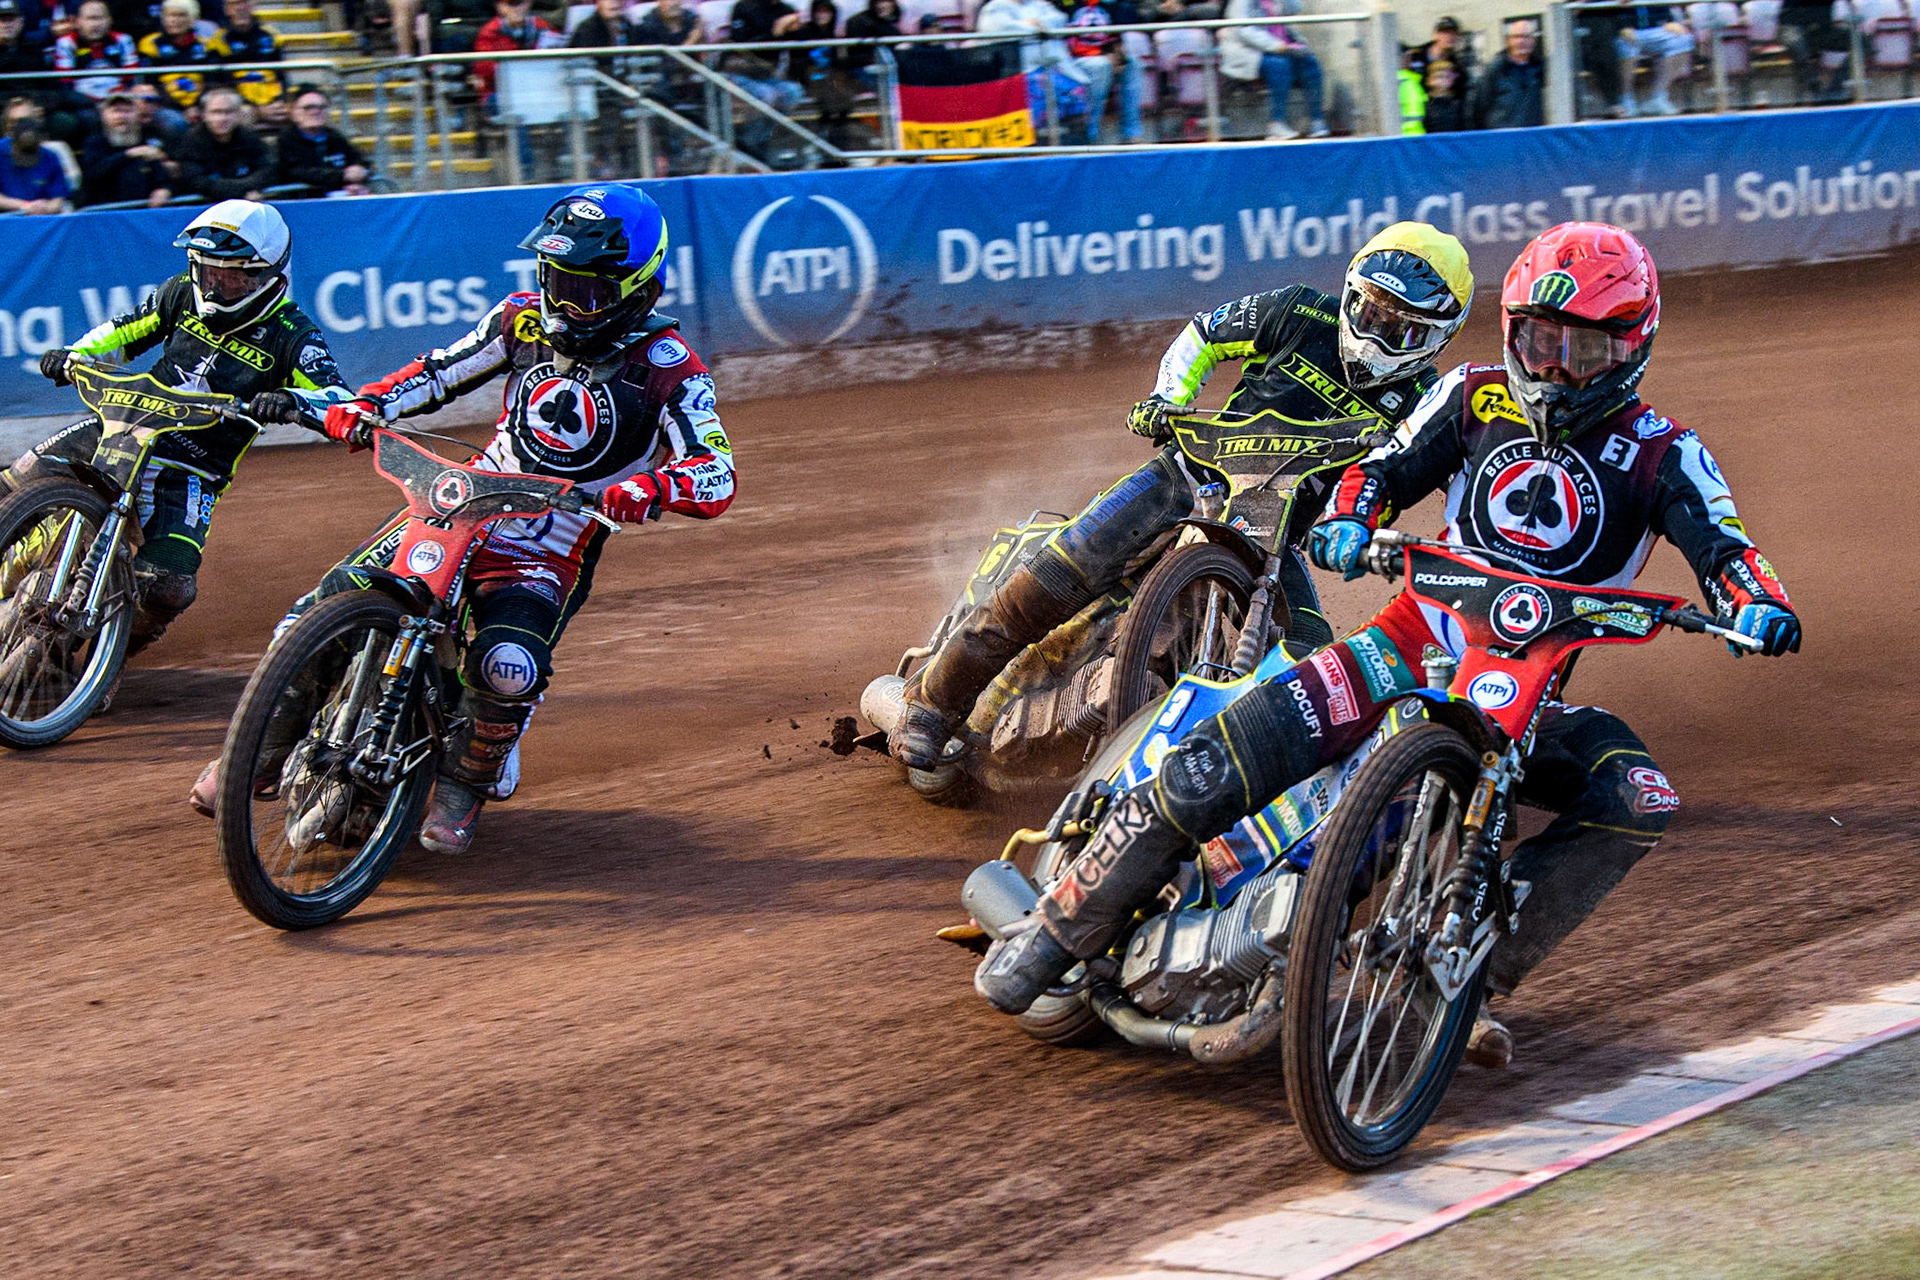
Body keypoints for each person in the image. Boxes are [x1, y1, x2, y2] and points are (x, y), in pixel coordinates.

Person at [971, 222, 1802, 1074]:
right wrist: (1346, 519)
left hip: (1523, 696)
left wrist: (1757, 606)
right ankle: (1057, 927)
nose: (1555, 367)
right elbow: (1382, 468)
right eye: (1539, 341)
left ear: (1632, 347)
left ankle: (1465, 979)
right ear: (1512, 332)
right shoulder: (1472, 396)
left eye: (1581, 349)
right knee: (1218, 760)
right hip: (1403, 645)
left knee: (1641, 795)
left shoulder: (1667, 454)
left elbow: (1728, 552)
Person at [188, 185, 738, 853]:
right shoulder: (521, 320)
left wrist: (650, 489)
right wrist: (366, 405)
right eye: (555, 280)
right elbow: (439, 371)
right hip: (463, 501)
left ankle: (462, 784)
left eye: (587, 292)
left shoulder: (669, 369)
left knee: (508, 665)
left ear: (638, 290)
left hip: (551, 539)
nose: (564, 304)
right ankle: (260, 755)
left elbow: (717, 470)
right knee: (312, 616)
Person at [890, 222, 1475, 770]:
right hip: (1188, 475)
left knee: (1309, 657)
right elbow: (1206, 333)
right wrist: (1167, 397)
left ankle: (1282, 788)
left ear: (1437, 337)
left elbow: (1462, 477)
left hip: (1278, 533)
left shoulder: (1432, 398)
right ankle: (936, 704)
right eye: (1368, 310)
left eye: (1400, 327)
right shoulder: (1299, 310)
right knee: (1059, 570)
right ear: (1348, 293)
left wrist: (1461, 554)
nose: (1376, 334)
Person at [3, 200, 353, 663]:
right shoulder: (179, 294)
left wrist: (291, 400)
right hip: (123, 426)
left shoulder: (293, 334)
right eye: (207, 270)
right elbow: (123, 331)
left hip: (191, 467)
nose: (215, 282)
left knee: (169, 587)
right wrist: (73, 354)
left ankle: (104, 663)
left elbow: (341, 400)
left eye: (231, 275)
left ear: (265, 275)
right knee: (19, 479)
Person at [1220, 0, 1327, 140]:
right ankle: (1276, 124)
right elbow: (1244, 31)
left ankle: (1316, 120)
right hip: (1249, 52)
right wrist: (1276, 46)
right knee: (1279, 65)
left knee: (1309, 62)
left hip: (1280, 49)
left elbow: (1294, 8)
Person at [1064, 0, 1145, 145]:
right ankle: (1090, 135)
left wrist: (1118, 57)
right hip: (1073, 59)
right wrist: (1103, 54)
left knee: (1132, 64)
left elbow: (1115, 37)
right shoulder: (1067, 4)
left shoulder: (1108, 4)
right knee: (1101, 66)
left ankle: (1131, 133)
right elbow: (1066, 41)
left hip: (1102, 55)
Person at [80, 85, 176, 203]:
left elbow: (164, 179)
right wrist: (128, 154)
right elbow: (92, 175)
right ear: (103, 116)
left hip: (143, 213)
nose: (121, 116)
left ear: (137, 115)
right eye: (116, 111)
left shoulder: (148, 142)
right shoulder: (94, 143)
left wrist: (164, 190)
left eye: (127, 111)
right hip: (106, 212)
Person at [136, 0, 230, 116]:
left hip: (201, 105)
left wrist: (197, 106)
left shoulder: (208, 46)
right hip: (165, 105)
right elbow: (152, 83)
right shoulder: (149, 44)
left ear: (192, 19)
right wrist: (181, 108)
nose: (174, 20)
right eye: (170, 15)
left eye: (181, 15)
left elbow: (212, 81)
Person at [272, 83, 369, 195]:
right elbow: (294, 172)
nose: (315, 112)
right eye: (308, 108)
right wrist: (343, 176)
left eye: (321, 107)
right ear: (293, 111)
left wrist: (358, 172)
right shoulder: (286, 140)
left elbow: (359, 161)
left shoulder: (335, 137)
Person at [173, 85, 267, 198]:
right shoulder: (190, 142)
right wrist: (243, 190)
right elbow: (195, 181)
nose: (222, 118)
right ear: (204, 115)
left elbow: (267, 170)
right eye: (215, 112)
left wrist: (248, 187)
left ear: (239, 114)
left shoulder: (249, 137)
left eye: (229, 112)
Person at [51, 0, 140, 107]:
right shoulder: (66, 43)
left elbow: (131, 78)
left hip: (119, 100)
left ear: (110, 20)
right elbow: (65, 83)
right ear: (77, 22)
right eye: (90, 19)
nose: (96, 24)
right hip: (82, 103)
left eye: (100, 18)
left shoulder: (123, 40)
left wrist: (116, 97)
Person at [1614, 4, 1692, 116]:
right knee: (1625, 46)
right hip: (1626, 29)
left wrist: (1669, 21)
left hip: (1655, 29)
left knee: (1683, 40)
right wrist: (1621, 25)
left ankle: (1658, 97)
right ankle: (1625, 98)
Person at [472, 0, 555, 103]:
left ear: (529, 3)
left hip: (539, 88)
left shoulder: (543, 27)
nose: (516, 9)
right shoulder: (489, 32)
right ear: (499, 7)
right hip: (501, 90)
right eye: (511, 5)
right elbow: (485, 69)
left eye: (519, 4)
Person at [1469, 17, 1544, 129]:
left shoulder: (1541, 68)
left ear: (1534, 40)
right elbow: (1479, 107)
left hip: (1533, 138)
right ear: (1508, 40)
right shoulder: (1495, 69)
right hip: (1503, 139)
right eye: (1516, 37)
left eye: (1526, 36)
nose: (1521, 41)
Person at [217, 0, 285, 122]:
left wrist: (280, 100)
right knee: (244, 114)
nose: (240, 8)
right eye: (234, 4)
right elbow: (223, 83)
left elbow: (281, 76)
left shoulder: (271, 35)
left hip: (272, 98)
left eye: (244, 3)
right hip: (239, 102)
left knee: (302, 110)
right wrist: (257, 109)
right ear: (226, 9)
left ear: (253, 6)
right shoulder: (218, 41)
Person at [0, 97, 71, 213]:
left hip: (42, 220)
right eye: (14, 122)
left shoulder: (50, 156)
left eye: (26, 120)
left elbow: (58, 198)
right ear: (8, 127)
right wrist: (25, 206)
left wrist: (46, 208)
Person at [1420, 45, 1467, 131]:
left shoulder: (1459, 105)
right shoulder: (1423, 105)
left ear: (1452, 80)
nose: (1442, 81)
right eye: (1438, 76)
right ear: (1430, 80)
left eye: (1446, 77)